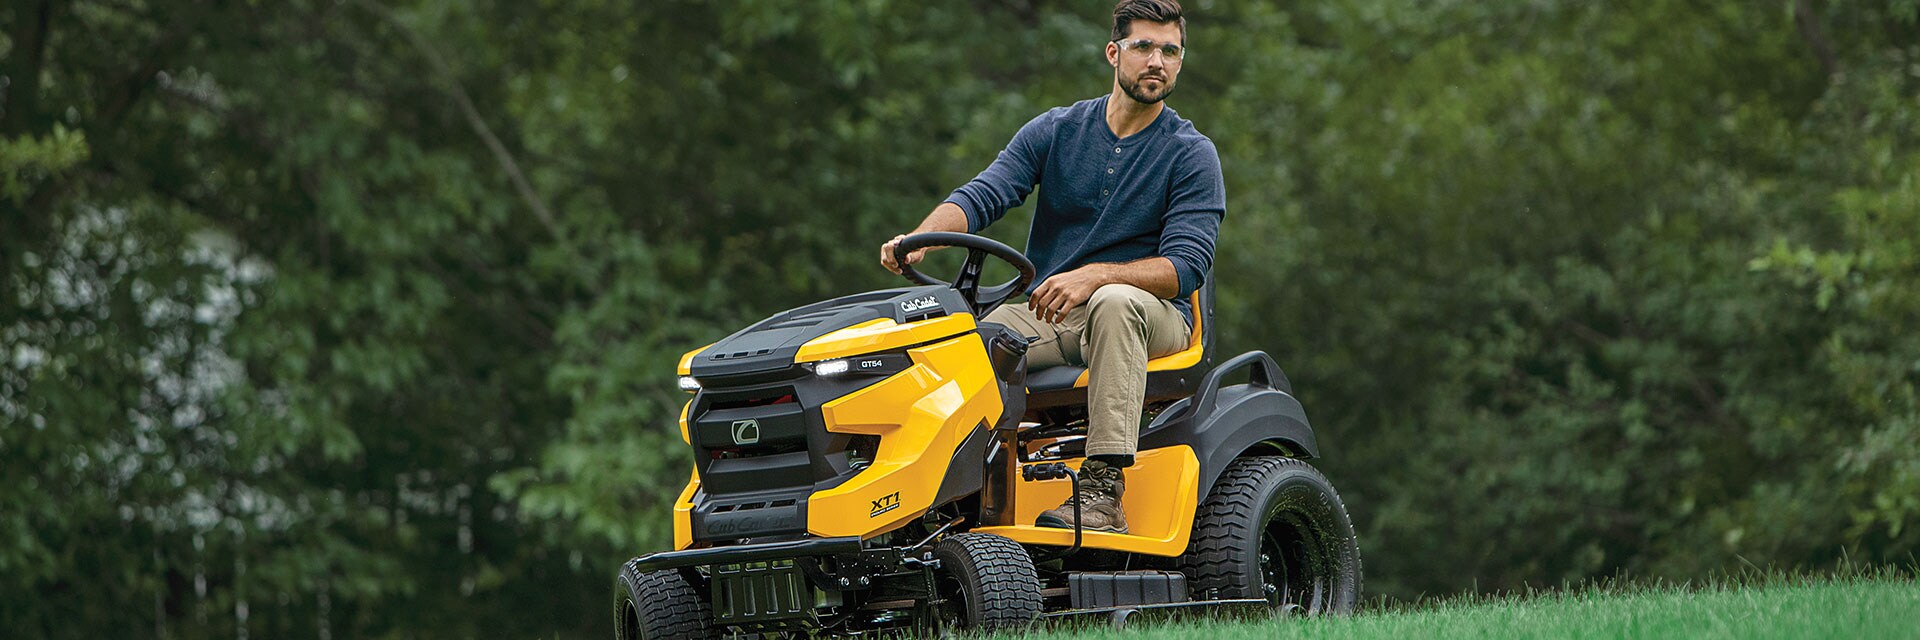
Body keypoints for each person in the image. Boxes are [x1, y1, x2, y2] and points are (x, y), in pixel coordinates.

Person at [878, 0, 1222, 534]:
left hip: (1152, 318)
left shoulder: (1190, 154)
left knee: (1113, 302)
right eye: (1143, 47)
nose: (1157, 61)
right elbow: (986, 192)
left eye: (1170, 51)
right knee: (951, 338)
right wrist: (921, 239)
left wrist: (1097, 274)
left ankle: (1104, 493)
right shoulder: (1057, 130)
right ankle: (940, 496)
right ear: (1114, 53)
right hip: (1052, 313)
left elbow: (1186, 268)